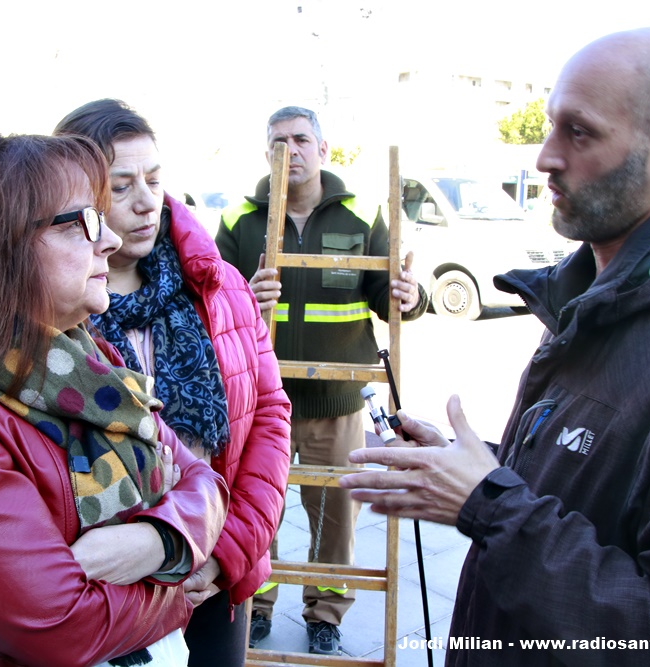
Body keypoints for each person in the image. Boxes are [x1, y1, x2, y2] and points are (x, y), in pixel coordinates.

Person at [340, 27, 650, 666]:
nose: (543, 157)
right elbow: (576, 502)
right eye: (549, 126)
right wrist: (468, 469)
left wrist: (487, 504)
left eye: (580, 132)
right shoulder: (590, 300)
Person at [0, 131, 229, 667]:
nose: (108, 240)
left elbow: (206, 483)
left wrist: (157, 544)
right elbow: (61, 628)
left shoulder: (90, 360)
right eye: (83, 220)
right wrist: (182, 585)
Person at [54, 99, 291, 667]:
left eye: (155, 179)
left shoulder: (219, 287)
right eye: (122, 185)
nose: (146, 200)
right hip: (105, 585)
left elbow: (269, 420)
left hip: (214, 567)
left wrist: (224, 554)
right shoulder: (48, 308)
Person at [215, 105, 428, 655]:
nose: (291, 150)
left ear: (324, 149)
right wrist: (243, 296)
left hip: (338, 398)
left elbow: (389, 300)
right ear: (267, 152)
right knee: (258, 509)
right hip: (264, 400)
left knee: (335, 518)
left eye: (301, 139)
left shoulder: (360, 217)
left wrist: (412, 295)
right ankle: (254, 607)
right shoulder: (241, 219)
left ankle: (326, 611)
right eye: (279, 141)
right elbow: (209, 301)